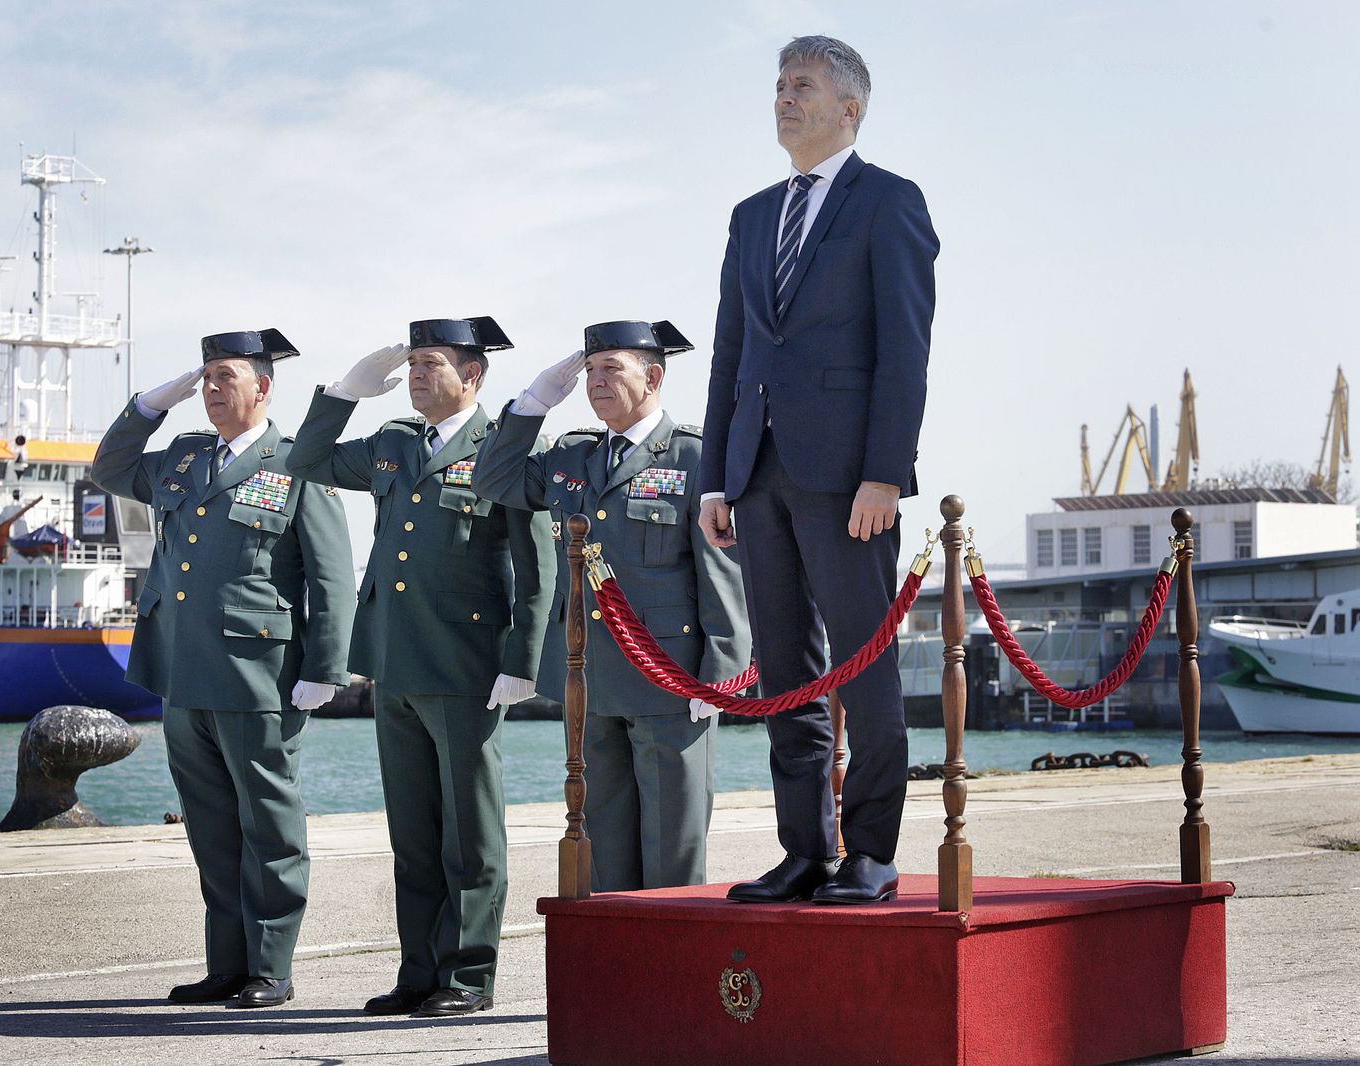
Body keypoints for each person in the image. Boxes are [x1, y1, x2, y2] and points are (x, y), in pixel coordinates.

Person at [699, 35, 939, 905]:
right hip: (757, 472)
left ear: (852, 107)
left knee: (865, 666)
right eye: (777, 86)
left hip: (848, 480)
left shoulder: (890, 203)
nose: (783, 98)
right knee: (785, 674)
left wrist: (886, 471)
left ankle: (870, 850)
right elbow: (731, 353)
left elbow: (905, 351)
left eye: (801, 85)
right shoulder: (752, 214)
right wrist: (714, 479)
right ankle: (803, 850)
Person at [285, 317, 554, 1018]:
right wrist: (345, 390)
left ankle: (467, 977)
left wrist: (522, 659)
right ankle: (419, 971)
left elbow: (537, 567)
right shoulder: (393, 443)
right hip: (395, 664)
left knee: (471, 833)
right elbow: (307, 461)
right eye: (410, 366)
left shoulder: (504, 446)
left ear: (473, 376)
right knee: (413, 832)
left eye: (430, 363)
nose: (415, 376)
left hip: (468, 664)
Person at [91, 328, 356, 1006]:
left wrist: (325, 667)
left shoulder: (298, 462)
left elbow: (330, 578)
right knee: (209, 824)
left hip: (259, 674)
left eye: (225, 378)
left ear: (263, 388)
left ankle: (270, 966)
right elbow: (111, 468)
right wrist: (152, 403)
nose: (211, 390)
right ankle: (227, 964)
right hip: (182, 672)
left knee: (267, 823)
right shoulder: (182, 458)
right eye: (204, 378)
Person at [474, 320, 750, 893]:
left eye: (611, 370)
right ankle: (620, 970)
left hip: (669, 679)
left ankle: (672, 974)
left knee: (672, 848)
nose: (595, 382)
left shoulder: (695, 456)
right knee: (604, 844)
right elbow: (494, 478)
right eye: (589, 372)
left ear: (652, 377)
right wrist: (532, 404)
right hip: (589, 676)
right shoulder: (571, 456)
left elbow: (722, 572)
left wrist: (720, 676)